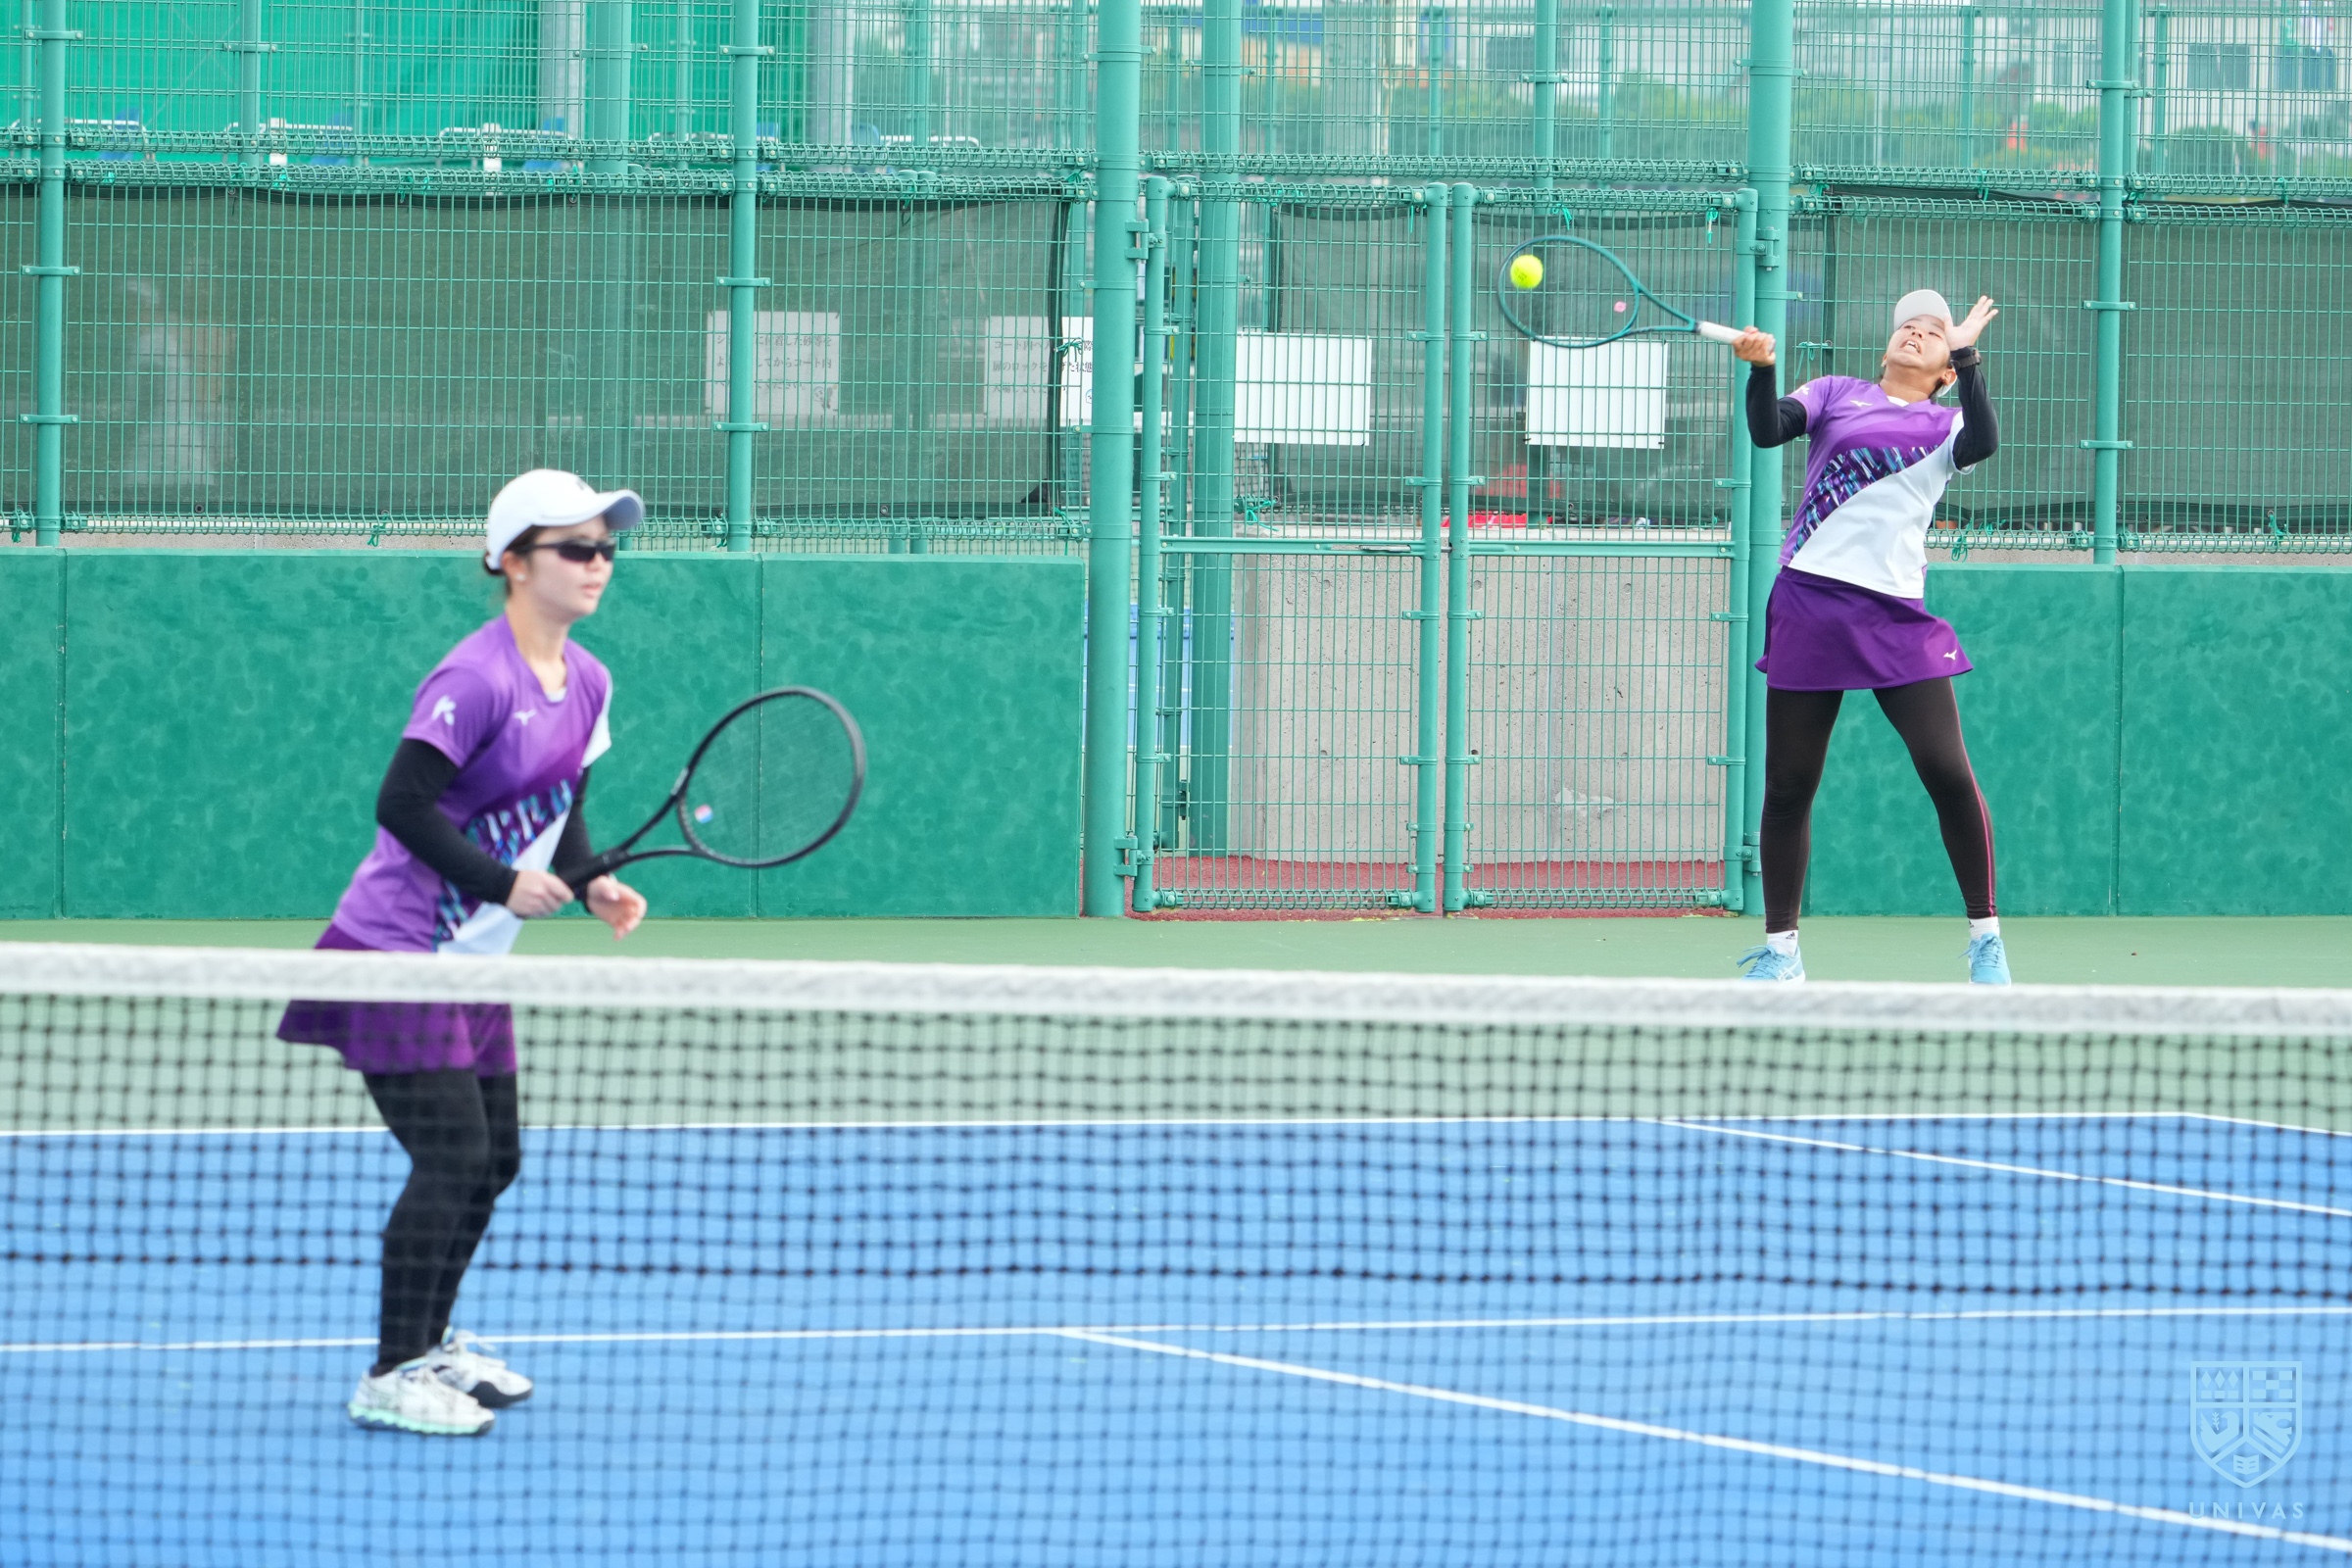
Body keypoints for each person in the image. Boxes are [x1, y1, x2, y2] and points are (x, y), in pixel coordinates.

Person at [279, 468, 651, 1436]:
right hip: (395, 948)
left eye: (607, 548)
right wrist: (500, 882)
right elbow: (400, 804)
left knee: (496, 1160)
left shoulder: (590, 680)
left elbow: (563, 804)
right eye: (577, 548)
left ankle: (432, 1343)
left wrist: (591, 880)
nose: (598, 563)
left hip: (476, 964)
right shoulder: (475, 678)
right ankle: (390, 1373)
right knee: (454, 1155)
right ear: (513, 562)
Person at [1731, 290, 2008, 985]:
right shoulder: (1834, 393)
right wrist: (1761, 369)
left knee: (1946, 772)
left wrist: (1969, 354)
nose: (1915, 332)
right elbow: (1767, 429)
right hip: (1809, 602)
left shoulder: (1948, 425)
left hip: (1895, 616)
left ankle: (1986, 941)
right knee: (1789, 785)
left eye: (1932, 333)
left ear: (1945, 372)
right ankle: (1781, 954)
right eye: (1908, 324)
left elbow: (1984, 441)